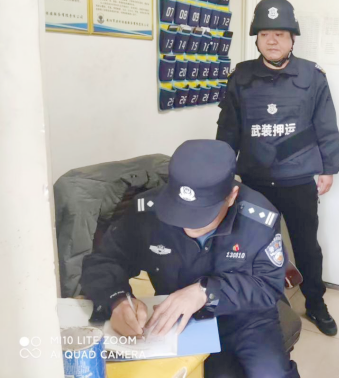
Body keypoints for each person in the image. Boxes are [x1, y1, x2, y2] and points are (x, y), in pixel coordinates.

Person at [81, 140, 299, 378]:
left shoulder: (259, 219)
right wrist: (117, 300)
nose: (188, 223)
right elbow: (105, 260)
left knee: (272, 373)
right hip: (181, 320)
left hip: (248, 319)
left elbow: (268, 285)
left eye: (202, 214)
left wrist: (206, 291)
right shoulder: (147, 212)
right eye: (179, 211)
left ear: (231, 196)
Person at [216, 0, 339, 336]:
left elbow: (326, 125)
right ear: (257, 39)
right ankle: (259, 303)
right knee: (249, 246)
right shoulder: (241, 77)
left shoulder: (312, 76)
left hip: (298, 178)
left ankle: (315, 303)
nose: (272, 41)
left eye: (280, 34)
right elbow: (227, 130)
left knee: (306, 246)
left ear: (292, 39)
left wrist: (329, 168)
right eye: (265, 34)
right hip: (254, 179)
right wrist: (222, 175)